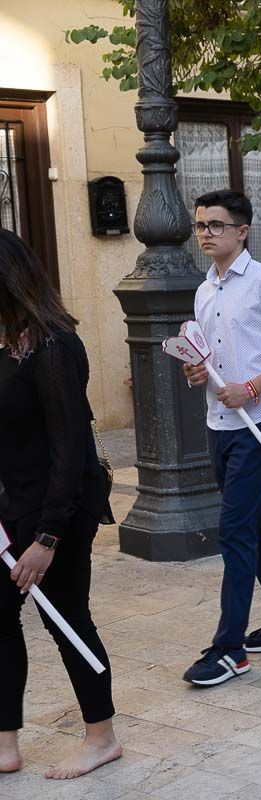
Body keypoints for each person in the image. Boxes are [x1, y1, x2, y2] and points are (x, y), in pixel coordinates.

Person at [0, 230, 121, 779]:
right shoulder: (5, 342)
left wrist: (47, 537)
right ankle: (6, 743)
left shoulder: (52, 344)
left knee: (66, 619)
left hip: (56, 509)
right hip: (7, 508)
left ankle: (102, 737)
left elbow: (69, 447)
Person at [181, 190, 261, 687]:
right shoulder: (205, 290)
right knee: (258, 522)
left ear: (242, 231)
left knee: (234, 530)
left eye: (216, 225)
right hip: (221, 423)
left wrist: (252, 387)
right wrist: (202, 373)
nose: (206, 233)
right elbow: (212, 359)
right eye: (200, 226)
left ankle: (229, 649)